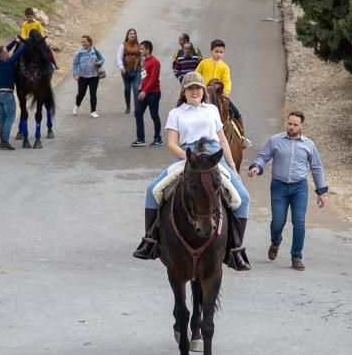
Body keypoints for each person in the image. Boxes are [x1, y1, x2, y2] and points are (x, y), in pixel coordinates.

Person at [132, 72, 250, 270]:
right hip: (187, 156)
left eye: (198, 88)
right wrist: (190, 160)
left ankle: (235, 249)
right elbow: (171, 144)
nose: (195, 91)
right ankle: (150, 242)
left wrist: (231, 166)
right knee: (153, 190)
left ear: (203, 91)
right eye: (190, 88)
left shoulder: (212, 110)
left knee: (243, 198)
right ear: (184, 91)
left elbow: (222, 140)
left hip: (212, 157)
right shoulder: (176, 114)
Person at [247, 111, 328, 270]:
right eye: (289, 123)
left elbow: (317, 168)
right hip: (279, 187)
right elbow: (263, 157)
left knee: (299, 222)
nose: (291, 127)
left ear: (301, 126)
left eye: (295, 124)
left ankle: (296, 256)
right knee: (278, 222)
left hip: (299, 188)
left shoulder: (308, 145)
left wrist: (321, 192)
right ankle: (275, 242)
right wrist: (256, 167)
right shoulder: (275, 140)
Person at [0, 37, 26, 150]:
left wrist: (15, 41)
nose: (8, 53)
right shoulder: (8, 62)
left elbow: (3, 50)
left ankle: (2, 142)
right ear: (2, 54)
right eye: (6, 52)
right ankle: (6, 141)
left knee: (3, 118)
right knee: (10, 118)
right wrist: (25, 43)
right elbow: (18, 53)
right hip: (7, 94)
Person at [131, 40, 162, 147]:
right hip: (143, 91)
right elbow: (144, 76)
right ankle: (140, 139)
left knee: (154, 115)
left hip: (153, 93)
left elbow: (153, 78)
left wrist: (145, 91)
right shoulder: (143, 61)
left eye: (142, 48)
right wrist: (141, 88)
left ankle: (158, 138)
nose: (140, 50)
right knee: (138, 113)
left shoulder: (155, 62)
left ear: (148, 49)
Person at [72, 35, 105, 118]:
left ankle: (93, 111)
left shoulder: (95, 50)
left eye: (85, 41)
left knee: (93, 93)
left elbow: (102, 59)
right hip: (82, 76)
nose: (83, 43)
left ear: (89, 42)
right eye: (82, 42)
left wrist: (99, 63)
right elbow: (75, 64)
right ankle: (76, 105)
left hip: (94, 76)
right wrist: (75, 74)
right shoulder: (79, 52)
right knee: (81, 94)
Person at [117, 28, 141, 113]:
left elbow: (143, 57)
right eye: (130, 33)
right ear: (127, 35)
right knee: (127, 89)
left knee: (136, 89)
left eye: (134, 33)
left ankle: (137, 108)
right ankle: (128, 105)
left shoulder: (139, 46)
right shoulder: (123, 45)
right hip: (126, 70)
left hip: (137, 70)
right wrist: (121, 67)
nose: (132, 35)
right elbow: (119, 57)